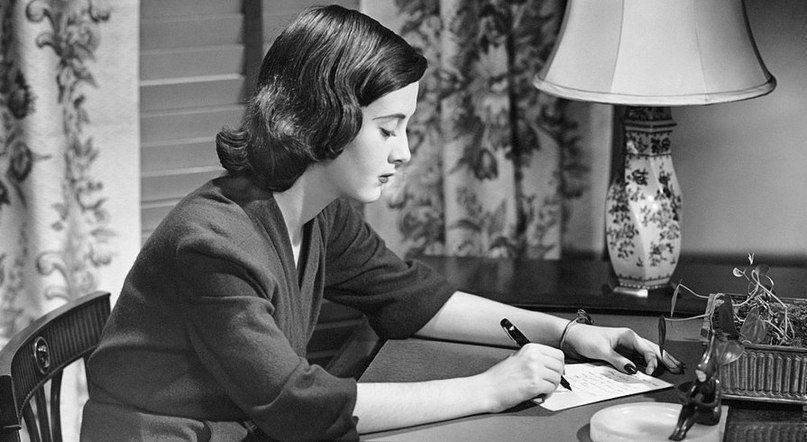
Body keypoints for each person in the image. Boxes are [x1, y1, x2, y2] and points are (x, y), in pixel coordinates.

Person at [81, 5, 682, 441]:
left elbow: (414, 299)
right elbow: (295, 405)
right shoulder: (212, 245)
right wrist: (489, 389)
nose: (405, 152)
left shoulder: (318, 215)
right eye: (388, 128)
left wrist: (568, 335)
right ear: (326, 117)